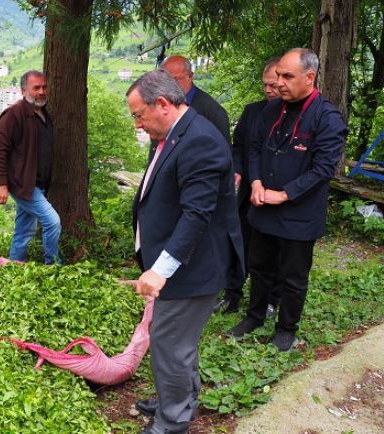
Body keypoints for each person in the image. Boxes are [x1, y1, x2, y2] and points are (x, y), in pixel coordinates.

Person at [127, 70, 244, 434]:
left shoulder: (200, 141)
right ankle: (178, 399)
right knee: (178, 341)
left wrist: (161, 269)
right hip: (180, 263)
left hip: (192, 267)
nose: (138, 123)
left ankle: (172, 421)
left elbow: (197, 215)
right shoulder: (176, 133)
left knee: (169, 343)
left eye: (138, 114)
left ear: (162, 104)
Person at [227, 48, 347, 352]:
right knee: (259, 266)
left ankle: (286, 329)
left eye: (287, 76)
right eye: (277, 75)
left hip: (299, 214)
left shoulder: (327, 118)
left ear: (309, 77)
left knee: (293, 277)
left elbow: (323, 169)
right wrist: (255, 181)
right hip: (262, 207)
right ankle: (254, 317)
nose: (279, 82)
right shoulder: (271, 110)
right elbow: (254, 147)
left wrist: (285, 193)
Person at [214, 58, 282, 315]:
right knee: (239, 242)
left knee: (273, 250)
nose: (268, 90)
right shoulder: (252, 111)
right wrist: (238, 170)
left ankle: (270, 300)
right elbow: (239, 146)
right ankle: (232, 295)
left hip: (275, 196)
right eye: (265, 85)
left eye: (273, 85)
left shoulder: (293, 116)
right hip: (247, 194)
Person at [0, 70, 61, 264]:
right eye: (36, 88)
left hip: (39, 184)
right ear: (23, 91)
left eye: (44, 87)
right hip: (23, 184)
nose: (41, 91)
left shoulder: (44, 114)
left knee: (24, 230)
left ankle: (14, 268)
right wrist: (1, 184)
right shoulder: (14, 115)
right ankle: (53, 266)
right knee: (52, 221)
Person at [161, 55, 230, 143]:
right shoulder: (162, 105)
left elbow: (223, 153)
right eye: (166, 80)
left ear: (191, 77)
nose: (170, 84)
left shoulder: (213, 112)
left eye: (176, 79)